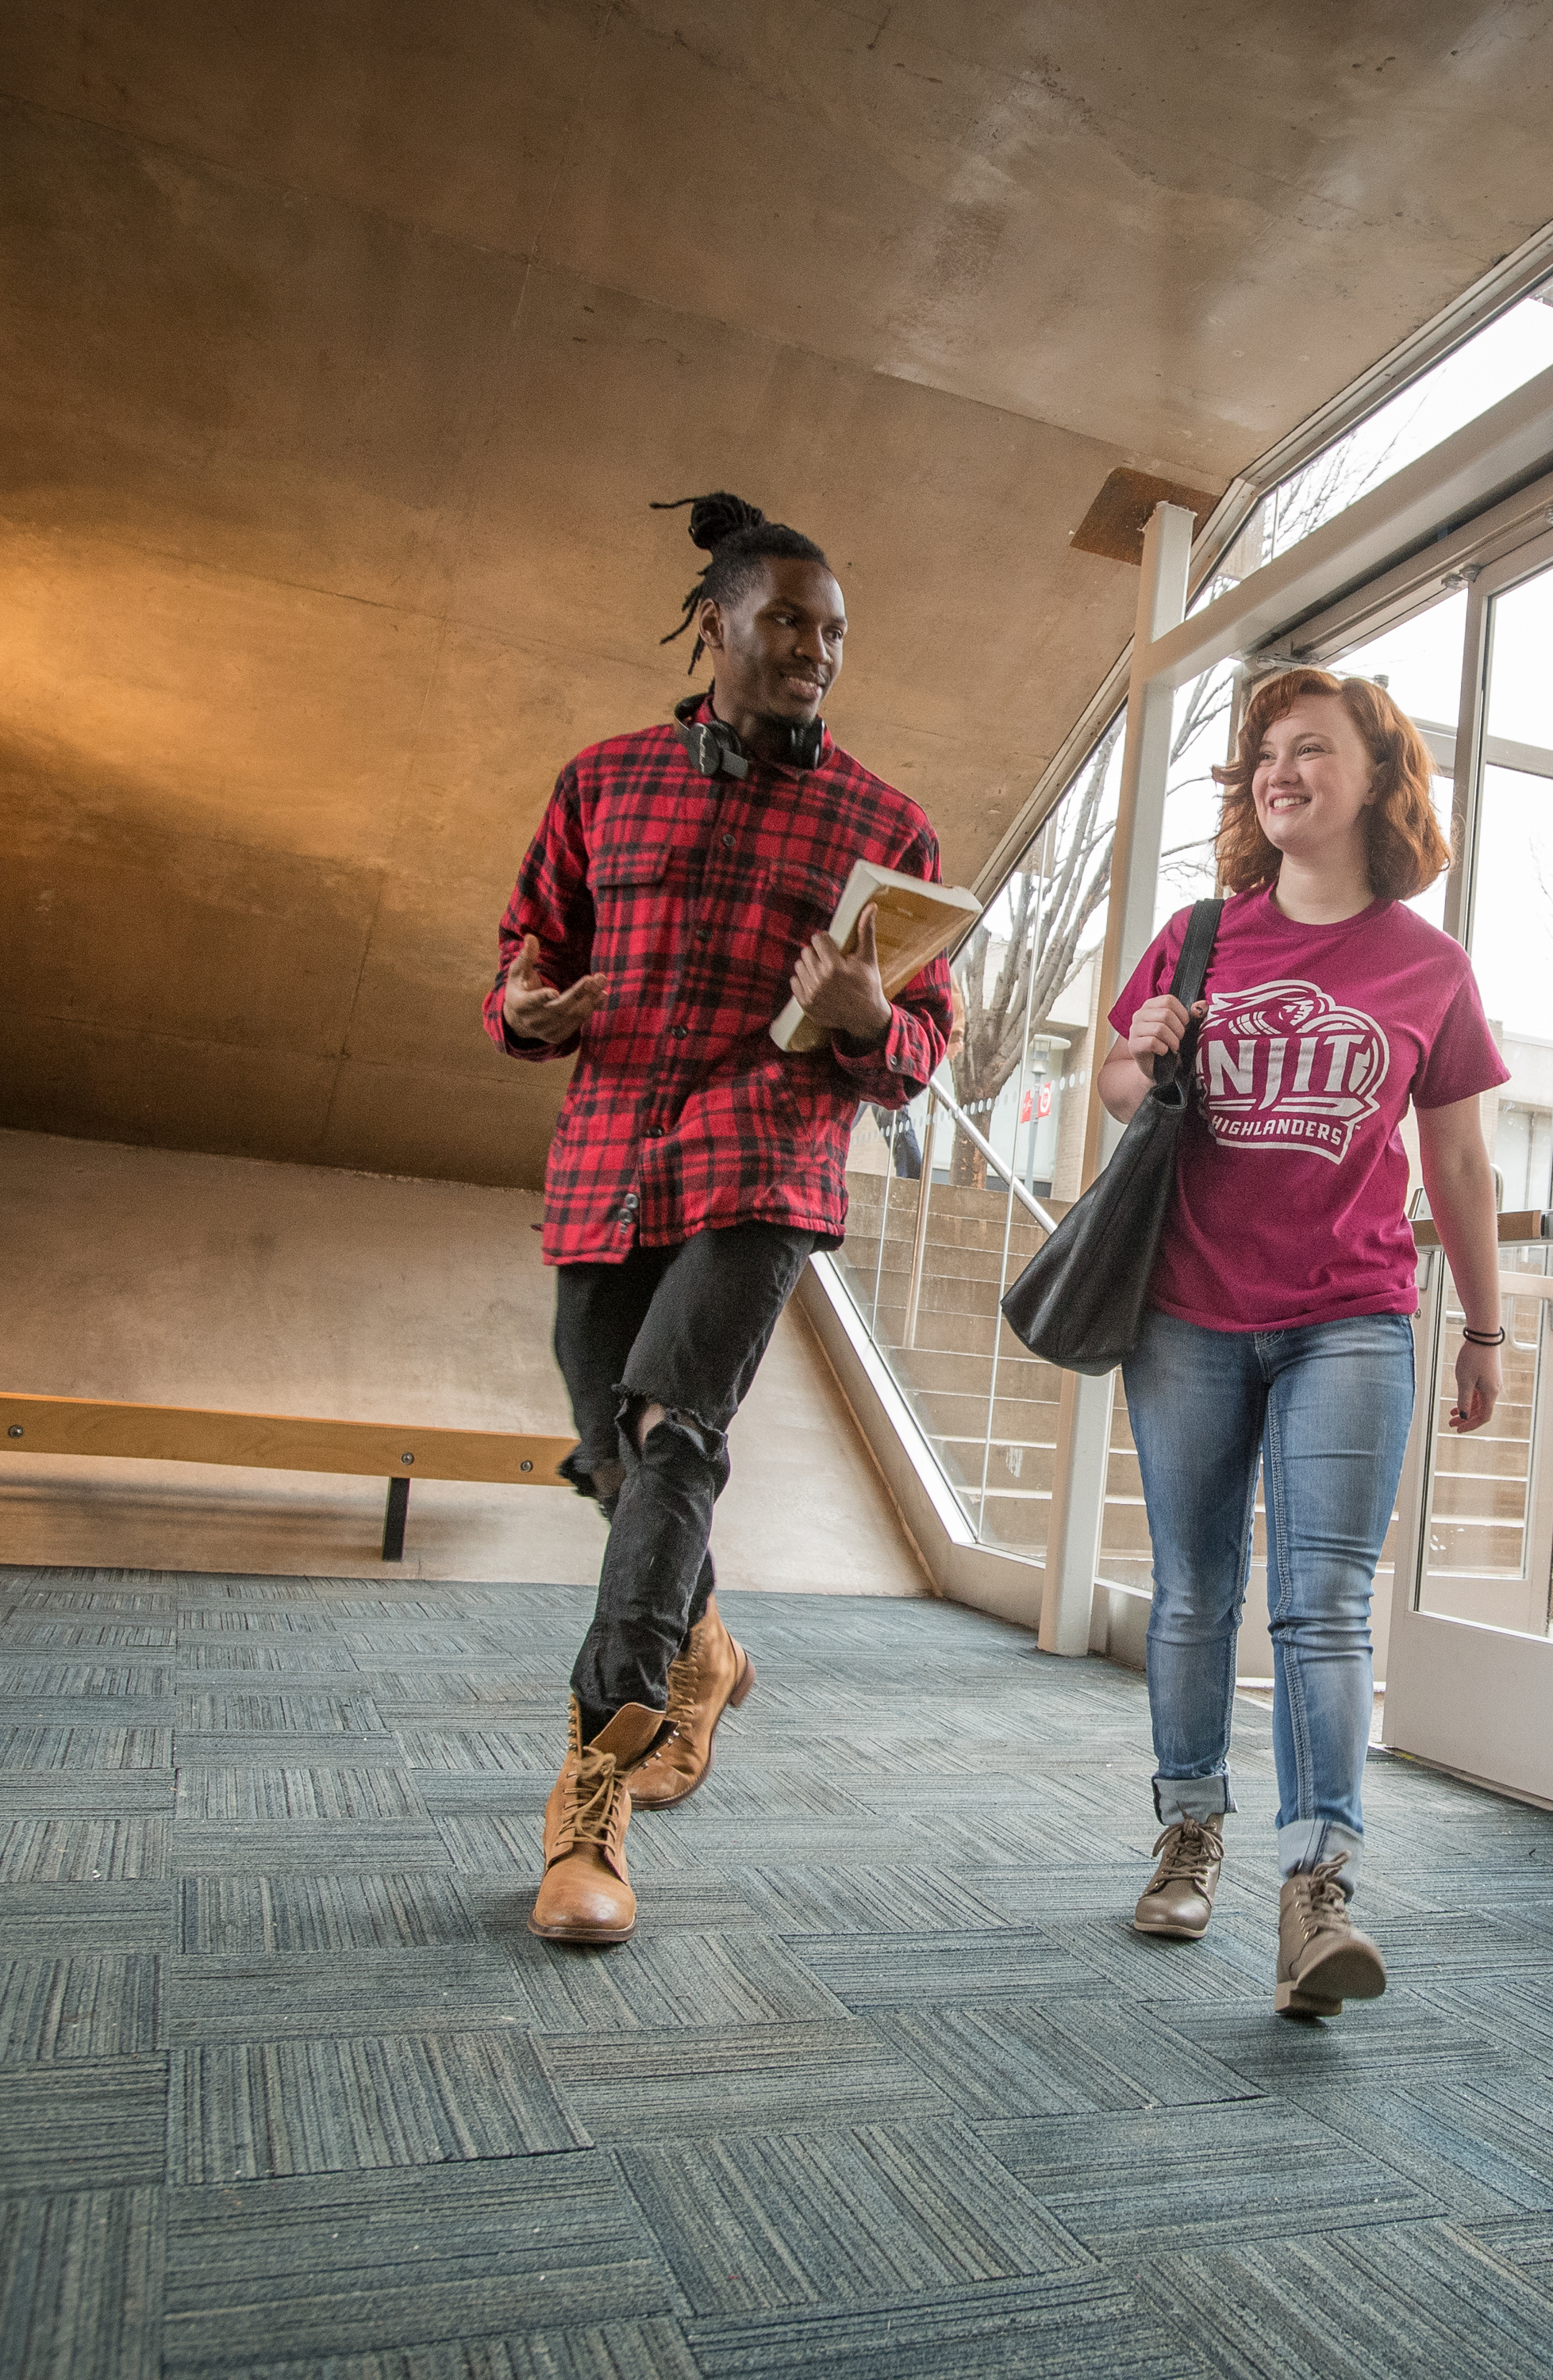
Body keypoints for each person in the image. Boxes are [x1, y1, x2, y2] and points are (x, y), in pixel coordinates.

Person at [487, 492, 957, 1944]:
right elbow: (526, 949)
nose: (816, 651)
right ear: (717, 625)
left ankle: (593, 1802)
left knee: (672, 1432)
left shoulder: (888, 824)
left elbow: (925, 1047)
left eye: (835, 634)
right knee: (608, 1454)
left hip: (767, 1159)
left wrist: (873, 1019)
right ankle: (704, 1644)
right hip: (611, 1155)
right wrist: (524, 1005)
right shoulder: (604, 782)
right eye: (788, 623)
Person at [1099, 664, 1506, 2018]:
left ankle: (1317, 1886)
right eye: (1266, 753)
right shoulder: (1200, 935)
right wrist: (1143, 1046)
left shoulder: (1428, 967)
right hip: (1189, 1312)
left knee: (1322, 1600)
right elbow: (1113, 1083)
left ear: (1377, 781)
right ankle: (1191, 1829)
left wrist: (1485, 1327)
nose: (1281, 771)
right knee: (1192, 1590)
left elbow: (1458, 1164)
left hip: (1353, 1315)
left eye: (1312, 750)